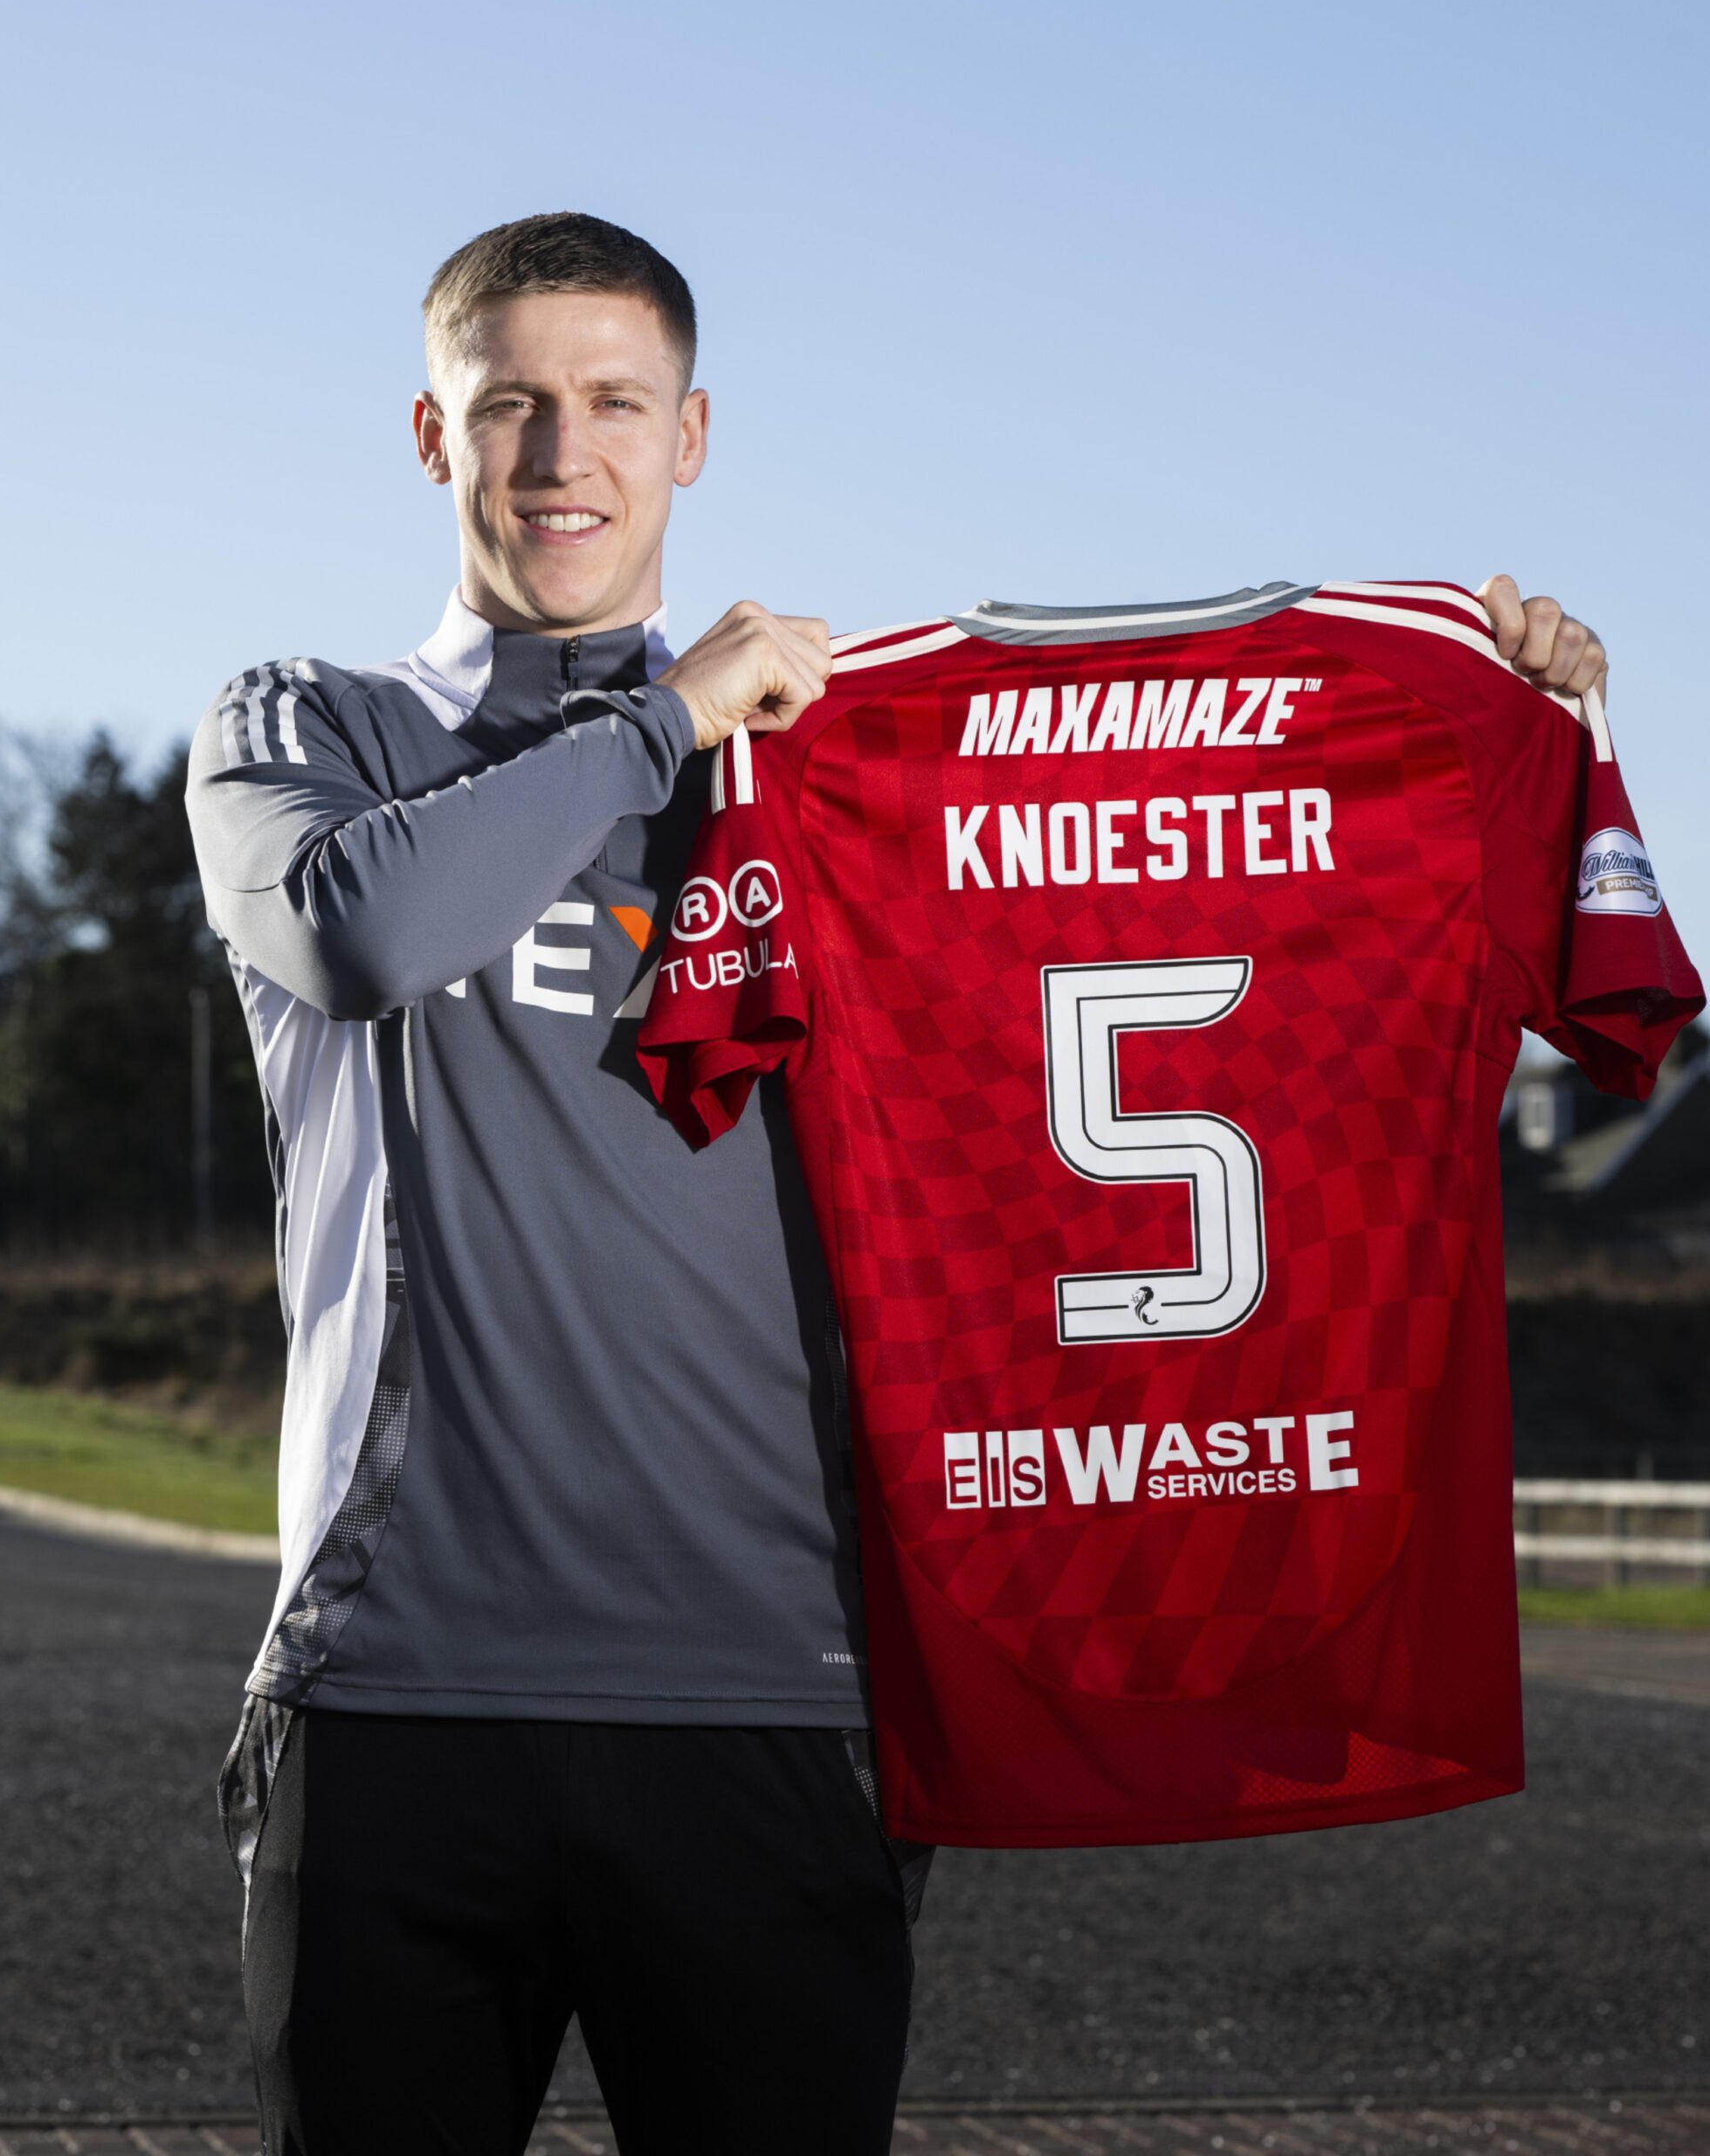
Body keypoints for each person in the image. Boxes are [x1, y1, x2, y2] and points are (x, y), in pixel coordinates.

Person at [185, 211, 1611, 2156]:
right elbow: (361, 933)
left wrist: (1473, 710)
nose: (557, 454)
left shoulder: (845, 768)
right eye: (505, 403)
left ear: (691, 437)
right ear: (430, 438)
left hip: (785, 1696)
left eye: (612, 402)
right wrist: (658, 713)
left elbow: (1189, 846)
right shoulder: (315, 725)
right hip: (400, 1688)